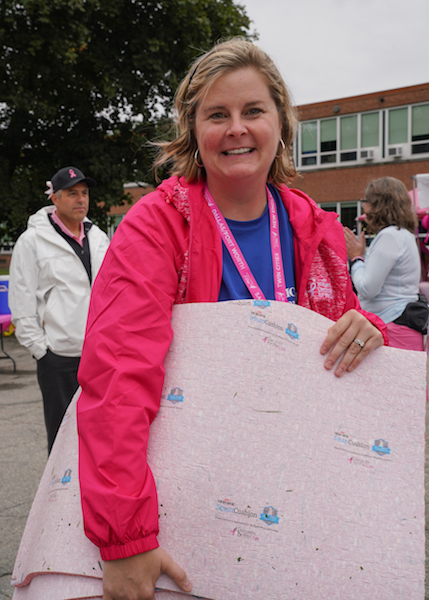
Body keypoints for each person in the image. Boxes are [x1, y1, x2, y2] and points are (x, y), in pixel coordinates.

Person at [76, 39, 387, 600]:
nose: (236, 128)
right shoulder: (156, 226)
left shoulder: (312, 226)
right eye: (217, 114)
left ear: (280, 124)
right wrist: (125, 539)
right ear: (193, 130)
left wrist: (369, 331)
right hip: (185, 500)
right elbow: (118, 378)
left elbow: (349, 327)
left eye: (253, 111)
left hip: (295, 492)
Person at [9, 166, 110, 453]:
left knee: (100, 432)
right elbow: (22, 299)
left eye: (84, 193)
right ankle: (60, 485)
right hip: (59, 356)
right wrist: (41, 351)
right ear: (54, 198)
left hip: (99, 353)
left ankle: (91, 483)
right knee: (62, 438)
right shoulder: (33, 241)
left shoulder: (98, 237)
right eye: (72, 193)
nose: (81, 199)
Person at [344, 176, 427, 351]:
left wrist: (356, 258)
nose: (364, 207)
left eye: (366, 202)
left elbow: (367, 289)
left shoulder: (389, 236)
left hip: (391, 325)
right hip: (401, 324)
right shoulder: (404, 234)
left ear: (377, 205)